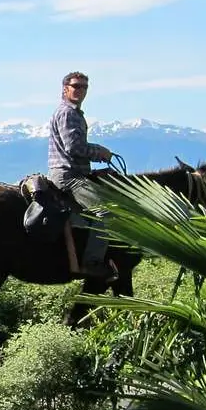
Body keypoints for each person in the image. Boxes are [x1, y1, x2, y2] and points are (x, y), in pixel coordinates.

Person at [46, 71, 116, 279]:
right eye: (76, 86)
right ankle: (92, 262)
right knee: (107, 213)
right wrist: (99, 152)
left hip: (74, 173)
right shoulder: (68, 113)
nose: (80, 90)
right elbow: (74, 147)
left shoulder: (72, 112)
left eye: (85, 87)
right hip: (69, 177)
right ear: (65, 89)